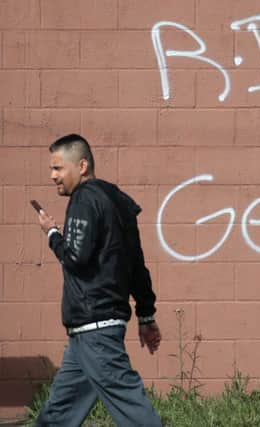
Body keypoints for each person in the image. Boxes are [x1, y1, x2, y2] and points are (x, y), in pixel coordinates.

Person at [34, 134, 163, 426]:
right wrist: (146, 315)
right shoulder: (119, 201)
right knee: (58, 414)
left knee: (134, 411)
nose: (53, 176)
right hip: (87, 335)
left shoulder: (83, 199)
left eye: (58, 168)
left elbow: (75, 260)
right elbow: (136, 266)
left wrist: (52, 234)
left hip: (95, 332)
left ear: (81, 166)